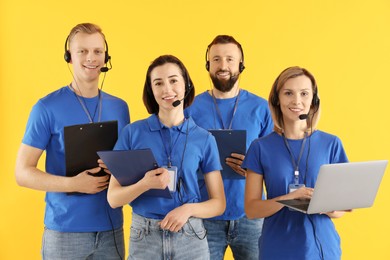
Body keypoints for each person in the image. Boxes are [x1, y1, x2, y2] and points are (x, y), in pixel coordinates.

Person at [15, 23, 130, 259]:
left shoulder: (120, 107)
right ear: (69, 57)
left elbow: (126, 163)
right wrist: (74, 184)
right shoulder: (46, 108)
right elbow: (22, 173)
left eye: (98, 51)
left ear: (106, 56)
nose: (91, 58)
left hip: (111, 231)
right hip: (64, 233)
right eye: (83, 51)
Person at [102, 55, 226, 260]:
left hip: (191, 236)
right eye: (158, 83)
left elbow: (218, 203)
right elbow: (113, 199)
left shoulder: (204, 139)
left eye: (173, 80)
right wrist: (144, 184)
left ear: (186, 84)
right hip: (145, 237)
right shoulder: (132, 133)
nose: (167, 89)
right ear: (151, 91)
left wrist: (187, 210)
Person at [243, 66, 350, 259]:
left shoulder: (331, 144)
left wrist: (329, 207)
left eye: (304, 94)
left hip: (322, 249)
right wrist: (290, 199)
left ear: (313, 100)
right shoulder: (260, 147)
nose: (297, 101)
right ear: (277, 100)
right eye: (288, 93)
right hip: (276, 248)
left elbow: (341, 208)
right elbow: (251, 209)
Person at [185, 35, 273, 260]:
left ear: (241, 65)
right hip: (204, 217)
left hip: (251, 218)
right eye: (216, 59)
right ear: (208, 65)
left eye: (230, 59)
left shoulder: (262, 108)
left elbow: (275, 162)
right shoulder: (190, 108)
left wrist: (255, 170)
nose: (223, 66)